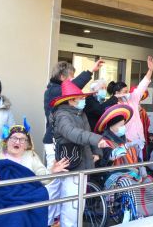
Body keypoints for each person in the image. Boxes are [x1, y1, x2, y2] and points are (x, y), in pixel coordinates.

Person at [0, 120, 69, 226]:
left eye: (22, 139)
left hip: (21, 197)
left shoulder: (31, 156)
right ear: (6, 140)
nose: (17, 142)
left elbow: (42, 178)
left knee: (17, 216)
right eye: (14, 138)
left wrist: (52, 172)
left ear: (26, 144)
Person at [50, 80, 111, 227]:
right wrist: (98, 141)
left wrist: (97, 152)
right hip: (71, 165)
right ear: (71, 100)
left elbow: (87, 133)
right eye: (81, 98)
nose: (84, 100)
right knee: (71, 207)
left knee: (78, 206)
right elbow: (72, 133)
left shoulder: (80, 113)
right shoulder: (62, 115)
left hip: (82, 163)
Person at [43, 60, 104, 168]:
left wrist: (96, 152)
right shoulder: (53, 91)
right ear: (62, 77)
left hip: (70, 145)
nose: (73, 81)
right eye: (71, 77)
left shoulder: (79, 112)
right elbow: (74, 87)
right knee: (54, 178)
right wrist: (90, 71)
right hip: (56, 142)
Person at [106, 56, 153, 149]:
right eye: (124, 91)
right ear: (117, 93)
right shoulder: (114, 105)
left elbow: (142, 85)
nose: (127, 93)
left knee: (138, 162)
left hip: (139, 137)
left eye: (127, 91)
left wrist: (150, 70)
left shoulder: (132, 98)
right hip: (125, 140)